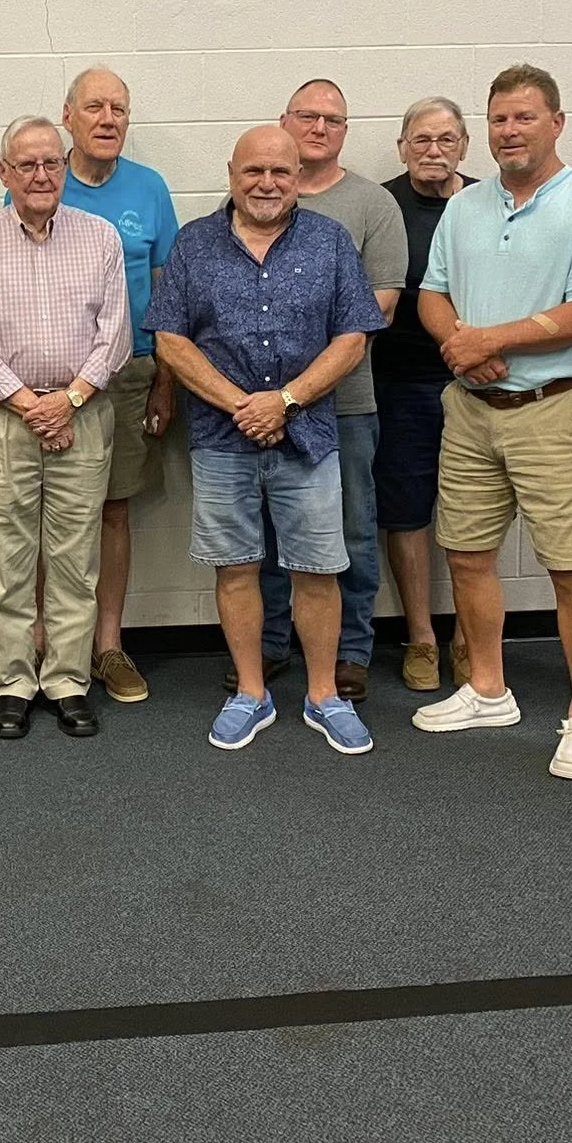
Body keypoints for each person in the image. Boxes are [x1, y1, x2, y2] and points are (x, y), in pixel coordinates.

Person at [409, 65, 572, 782]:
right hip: (473, 410)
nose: (509, 131)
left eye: (524, 117)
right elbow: (433, 293)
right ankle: (487, 689)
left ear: (556, 123)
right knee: (467, 554)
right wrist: (460, 346)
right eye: (499, 119)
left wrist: (489, 340)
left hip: (557, 410)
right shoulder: (464, 206)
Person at [144, 126, 387, 756]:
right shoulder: (195, 243)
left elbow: (354, 337)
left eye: (280, 172)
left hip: (309, 436)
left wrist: (285, 401)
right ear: (232, 174)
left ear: (297, 177)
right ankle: (251, 693)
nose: (267, 183)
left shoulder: (330, 241)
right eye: (254, 171)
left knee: (318, 570)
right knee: (236, 568)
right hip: (220, 438)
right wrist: (242, 405)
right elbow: (170, 338)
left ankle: (324, 696)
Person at [0, 117, 131, 739]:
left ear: (64, 167)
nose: (40, 175)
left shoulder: (100, 237)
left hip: (84, 415)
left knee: (76, 560)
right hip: (5, 419)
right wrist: (35, 406)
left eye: (52, 163)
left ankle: (67, 681)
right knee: (9, 559)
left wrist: (70, 401)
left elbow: (116, 335)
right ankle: (11, 681)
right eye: (26, 165)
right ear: (3, 173)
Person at [250, 78, 407, 703]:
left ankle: (350, 650)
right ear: (283, 120)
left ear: (345, 131)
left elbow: (381, 307)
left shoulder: (372, 205)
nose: (319, 128)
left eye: (333, 120)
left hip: (346, 403)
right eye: (307, 116)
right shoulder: (257, 194)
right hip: (262, 407)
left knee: (351, 529)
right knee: (268, 529)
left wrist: (302, 374)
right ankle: (271, 643)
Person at [49, 67, 181, 703]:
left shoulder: (149, 188)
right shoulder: (43, 179)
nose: (108, 119)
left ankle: (107, 645)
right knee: (52, 511)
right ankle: (52, 646)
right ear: (68, 115)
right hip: (56, 380)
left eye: (119, 109)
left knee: (113, 508)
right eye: (95, 107)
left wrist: (166, 383)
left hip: (130, 375)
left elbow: (169, 293)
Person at [373, 96, 477, 693]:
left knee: (473, 510)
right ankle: (420, 637)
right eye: (421, 140)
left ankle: (469, 637)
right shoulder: (383, 206)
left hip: (476, 380)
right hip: (399, 381)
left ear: (464, 146)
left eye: (446, 140)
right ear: (402, 147)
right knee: (406, 511)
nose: (433, 151)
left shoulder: (488, 202)